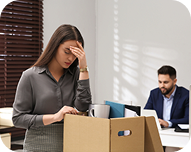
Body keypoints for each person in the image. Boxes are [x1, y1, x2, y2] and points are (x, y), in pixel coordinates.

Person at [12, 24, 92, 151]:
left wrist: (83, 69)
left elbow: (83, 107)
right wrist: (55, 117)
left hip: (71, 144)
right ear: (55, 46)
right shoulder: (30, 76)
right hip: (38, 146)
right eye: (67, 51)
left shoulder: (77, 74)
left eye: (75, 54)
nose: (71, 58)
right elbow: (18, 118)